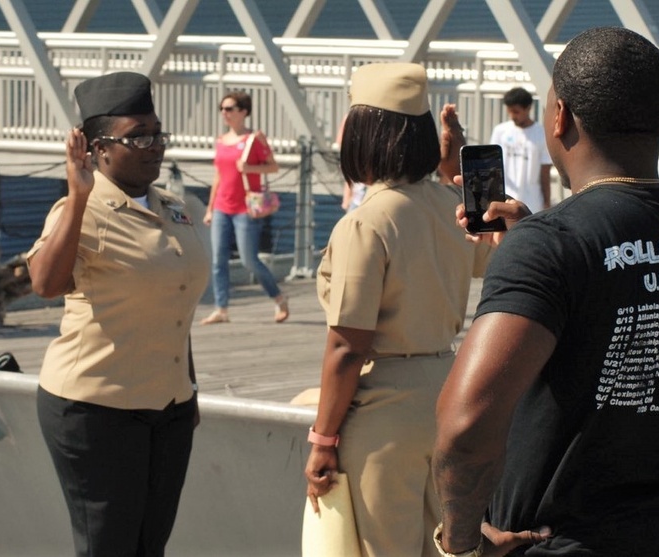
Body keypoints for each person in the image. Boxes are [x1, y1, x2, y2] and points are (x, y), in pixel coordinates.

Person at [432, 27, 659, 557]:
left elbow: (465, 426)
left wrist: (461, 542)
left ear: (560, 116)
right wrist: (536, 243)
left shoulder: (553, 245)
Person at [303, 62, 493, 557]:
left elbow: (347, 346)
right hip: (447, 394)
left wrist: (323, 440)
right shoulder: (447, 203)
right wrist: (462, 164)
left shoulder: (366, 222)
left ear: (366, 134)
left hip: (384, 407)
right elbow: (490, 243)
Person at [26, 71, 208, 557]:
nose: (154, 146)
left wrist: (186, 392)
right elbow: (44, 283)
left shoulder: (176, 209)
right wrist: (80, 193)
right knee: (107, 547)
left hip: (167, 409)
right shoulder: (78, 209)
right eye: (138, 136)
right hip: (94, 409)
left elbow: (174, 306)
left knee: (150, 547)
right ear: (97, 148)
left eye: (157, 133)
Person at [201, 90, 288, 324]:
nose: (224, 113)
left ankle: (278, 298)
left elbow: (273, 167)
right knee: (218, 260)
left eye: (229, 109)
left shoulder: (254, 139)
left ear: (243, 112)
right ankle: (221, 308)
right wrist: (210, 208)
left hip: (246, 208)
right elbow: (218, 176)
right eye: (222, 109)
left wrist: (250, 169)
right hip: (222, 206)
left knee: (250, 260)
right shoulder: (221, 140)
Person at [490, 86, 553, 213]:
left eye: (516, 111)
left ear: (528, 108)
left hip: (532, 203)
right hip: (505, 199)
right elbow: (492, 167)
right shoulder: (500, 131)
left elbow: (545, 171)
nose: (512, 116)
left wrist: (547, 202)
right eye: (510, 111)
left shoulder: (541, 133)